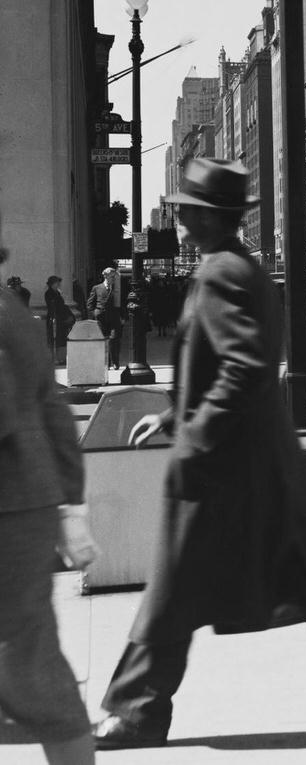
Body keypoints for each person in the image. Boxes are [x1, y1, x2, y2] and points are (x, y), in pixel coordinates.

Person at [93, 159, 306, 749]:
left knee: (174, 589)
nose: (181, 217)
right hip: (253, 465)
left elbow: (243, 369)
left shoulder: (223, 272)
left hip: (224, 470)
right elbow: (226, 367)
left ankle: (139, 709)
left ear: (207, 215)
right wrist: (174, 413)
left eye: (187, 209)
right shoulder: (234, 268)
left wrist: (193, 436)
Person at [0, 239, 100, 765]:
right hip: (24, 505)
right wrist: (68, 499)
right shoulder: (9, 308)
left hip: (11, 513)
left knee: (31, 666)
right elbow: (53, 412)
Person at [87, 267, 122, 370]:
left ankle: (115, 362)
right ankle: (106, 363)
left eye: (114, 277)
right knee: (102, 340)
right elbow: (89, 304)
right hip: (101, 318)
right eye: (111, 277)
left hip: (114, 317)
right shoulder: (97, 288)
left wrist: (123, 316)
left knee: (114, 339)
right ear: (105, 276)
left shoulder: (117, 289)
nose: (113, 279)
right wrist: (95, 313)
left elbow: (121, 302)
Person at [45, 275, 75, 358]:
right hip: (55, 318)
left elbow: (62, 305)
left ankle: (61, 356)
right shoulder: (49, 293)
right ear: (52, 284)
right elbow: (54, 307)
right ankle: (55, 357)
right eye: (56, 282)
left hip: (62, 318)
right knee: (54, 339)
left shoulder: (58, 292)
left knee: (61, 338)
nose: (58, 284)